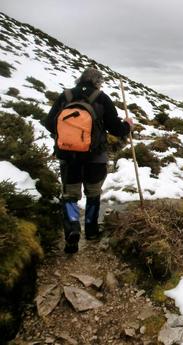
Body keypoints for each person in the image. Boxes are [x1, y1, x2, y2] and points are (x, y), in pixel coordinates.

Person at [45, 67, 133, 253]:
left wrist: (67, 136)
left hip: (68, 157)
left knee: (70, 196)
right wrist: (128, 125)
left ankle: (72, 229)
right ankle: (91, 231)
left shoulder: (65, 96)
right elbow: (116, 129)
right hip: (96, 157)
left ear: (81, 79)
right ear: (97, 81)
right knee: (93, 194)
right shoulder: (101, 98)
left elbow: (49, 123)